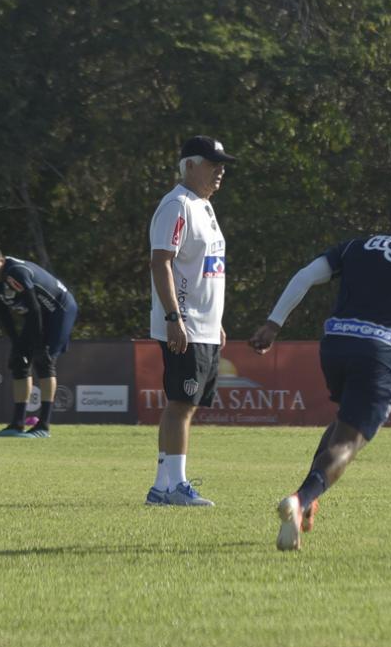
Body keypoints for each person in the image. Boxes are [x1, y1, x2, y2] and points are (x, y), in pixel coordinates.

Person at [248, 187, 391, 551]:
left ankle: (310, 499)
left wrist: (273, 324)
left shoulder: (355, 246)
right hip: (381, 353)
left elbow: (304, 276)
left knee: (345, 420)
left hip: (335, 346)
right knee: (350, 440)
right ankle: (300, 499)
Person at [146, 136, 235, 507]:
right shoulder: (177, 205)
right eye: (212, 163)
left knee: (187, 403)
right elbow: (160, 260)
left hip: (204, 324)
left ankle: (163, 485)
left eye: (222, 164)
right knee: (181, 403)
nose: (220, 170)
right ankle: (174, 485)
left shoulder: (205, 207)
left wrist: (216, 323)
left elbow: (206, 268)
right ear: (190, 165)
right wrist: (173, 317)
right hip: (185, 323)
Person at [0, 243, 78, 438]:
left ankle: (43, 426)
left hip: (59, 311)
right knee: (19, 363)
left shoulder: (16, 273)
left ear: (2, 261)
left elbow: (35, 309)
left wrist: (37, 344)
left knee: (43, 359)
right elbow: (2, 311)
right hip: (37, 314)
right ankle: (17, 423)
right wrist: (16, 343)